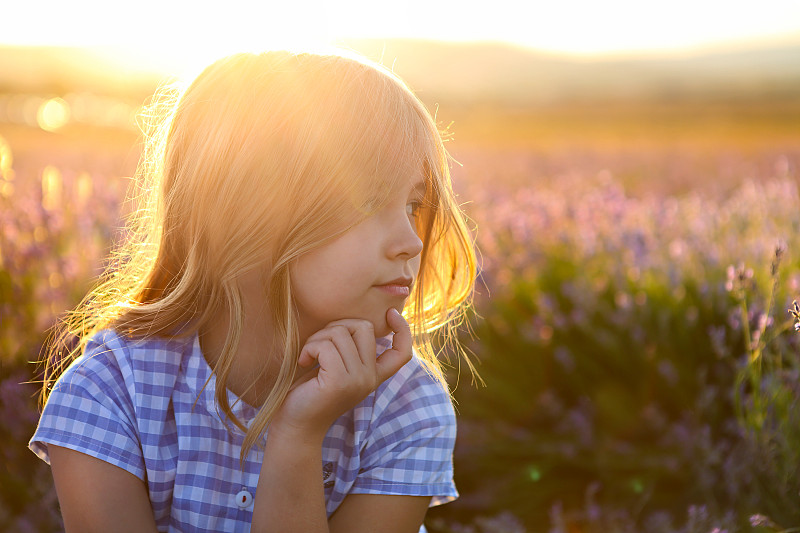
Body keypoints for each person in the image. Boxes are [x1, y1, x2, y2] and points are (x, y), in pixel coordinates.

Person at [29, 48, 476, 533]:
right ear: (248, 210)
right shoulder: (112, 391)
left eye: (413, 204)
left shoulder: (405, 404)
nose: (412, 242)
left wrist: (297, 439)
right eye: (367, 202)